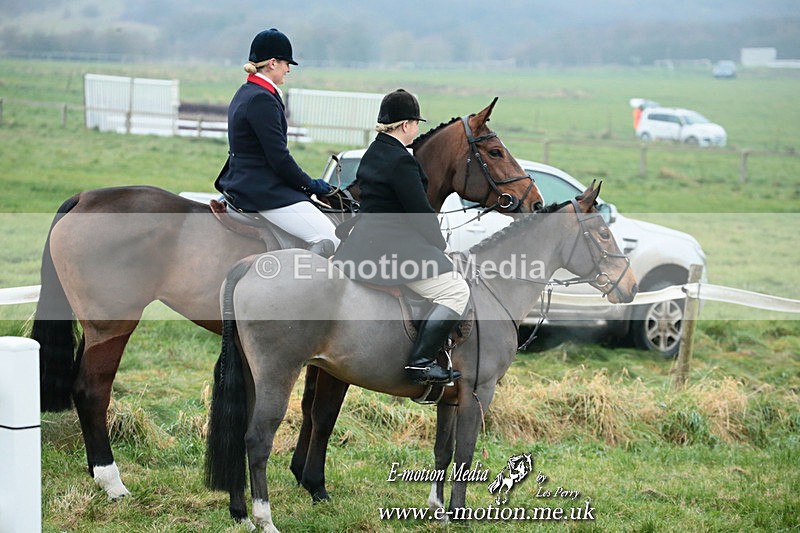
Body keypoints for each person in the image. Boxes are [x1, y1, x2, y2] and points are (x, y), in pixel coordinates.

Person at [333, 89, 470, 385]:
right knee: (456, 290)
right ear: (406, 124)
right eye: (416, 123)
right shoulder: (402, 161)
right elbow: (420, 213)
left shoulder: (373, 151)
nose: (417, 129)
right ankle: (420, 364)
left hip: (361, 243)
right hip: (390, 250)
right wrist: (439, 246)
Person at [215, 28, 338, 256]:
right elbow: (279, 158)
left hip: (244, 180)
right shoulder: (262, 99)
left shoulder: (246, 91)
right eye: (286, 63)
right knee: (330, 238)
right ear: (273, 63)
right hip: (261, 190)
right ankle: (293, 279)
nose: (288, 69)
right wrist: (310, 185)